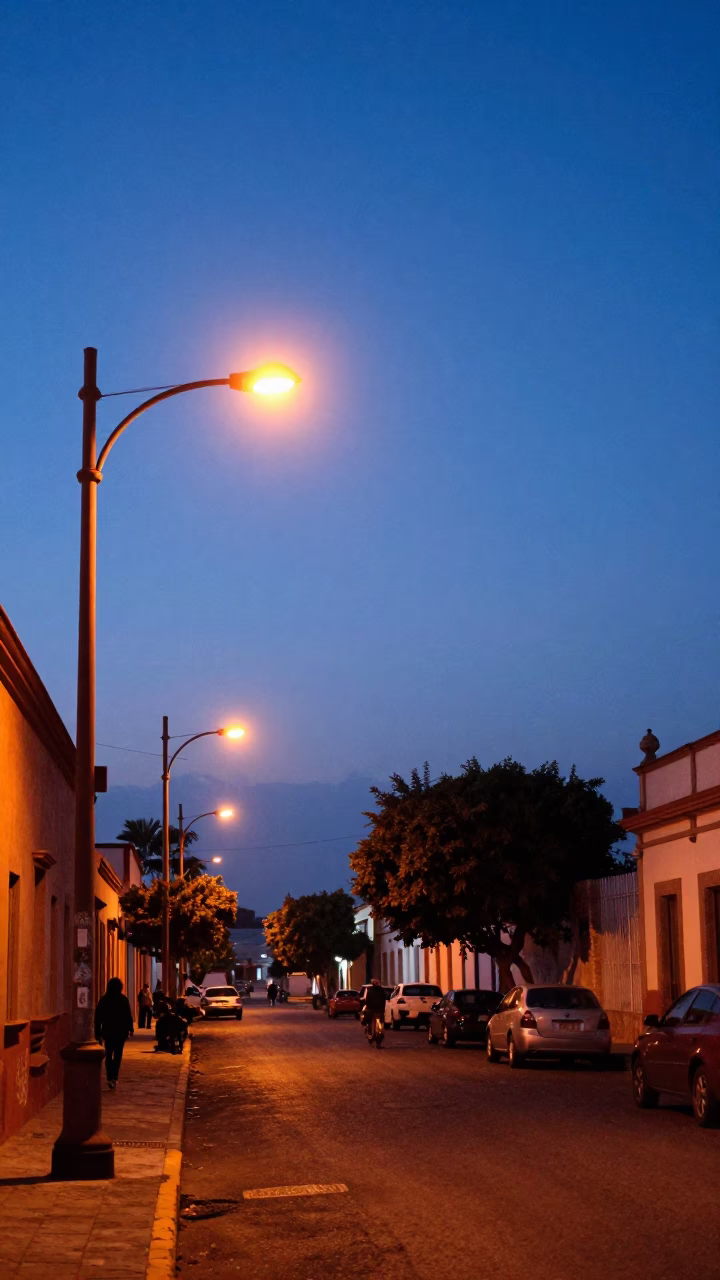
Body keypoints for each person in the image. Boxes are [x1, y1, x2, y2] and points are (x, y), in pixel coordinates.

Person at [94, 977, 134, 1089]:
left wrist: (97, 1033)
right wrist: (131, 1029)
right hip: (121, 1032)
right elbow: (128, 1016)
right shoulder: (123, 999)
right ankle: (114, 1078)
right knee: (118, 1055)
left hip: (108, 1031)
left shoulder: (104, 999)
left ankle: (109, 1077)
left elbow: (98, 1017)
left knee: (108, 1054)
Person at [362, 979, 387, 1043]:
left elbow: (367, 1000)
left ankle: (371, 1034)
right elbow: (384, 1000)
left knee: (369, 1021)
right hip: (380, 1010)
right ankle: (381, 1032)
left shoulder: (370, 990)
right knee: (381, 1021)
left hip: (372, 1010)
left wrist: (368, 1007)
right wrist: (383, 1009)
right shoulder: (381, 990)